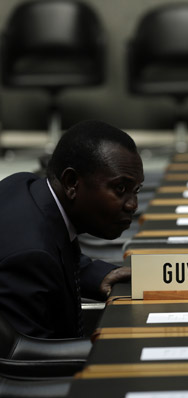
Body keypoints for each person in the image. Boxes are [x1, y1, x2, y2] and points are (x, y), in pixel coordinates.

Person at [0, 120, 144, 338]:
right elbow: (29, 360)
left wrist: (93, 275)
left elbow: (53, 248)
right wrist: (117, 345)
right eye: (120, 188)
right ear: (71, 183)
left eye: (136, 190)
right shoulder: (30, 256)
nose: (133, 205)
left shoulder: (27, 186)